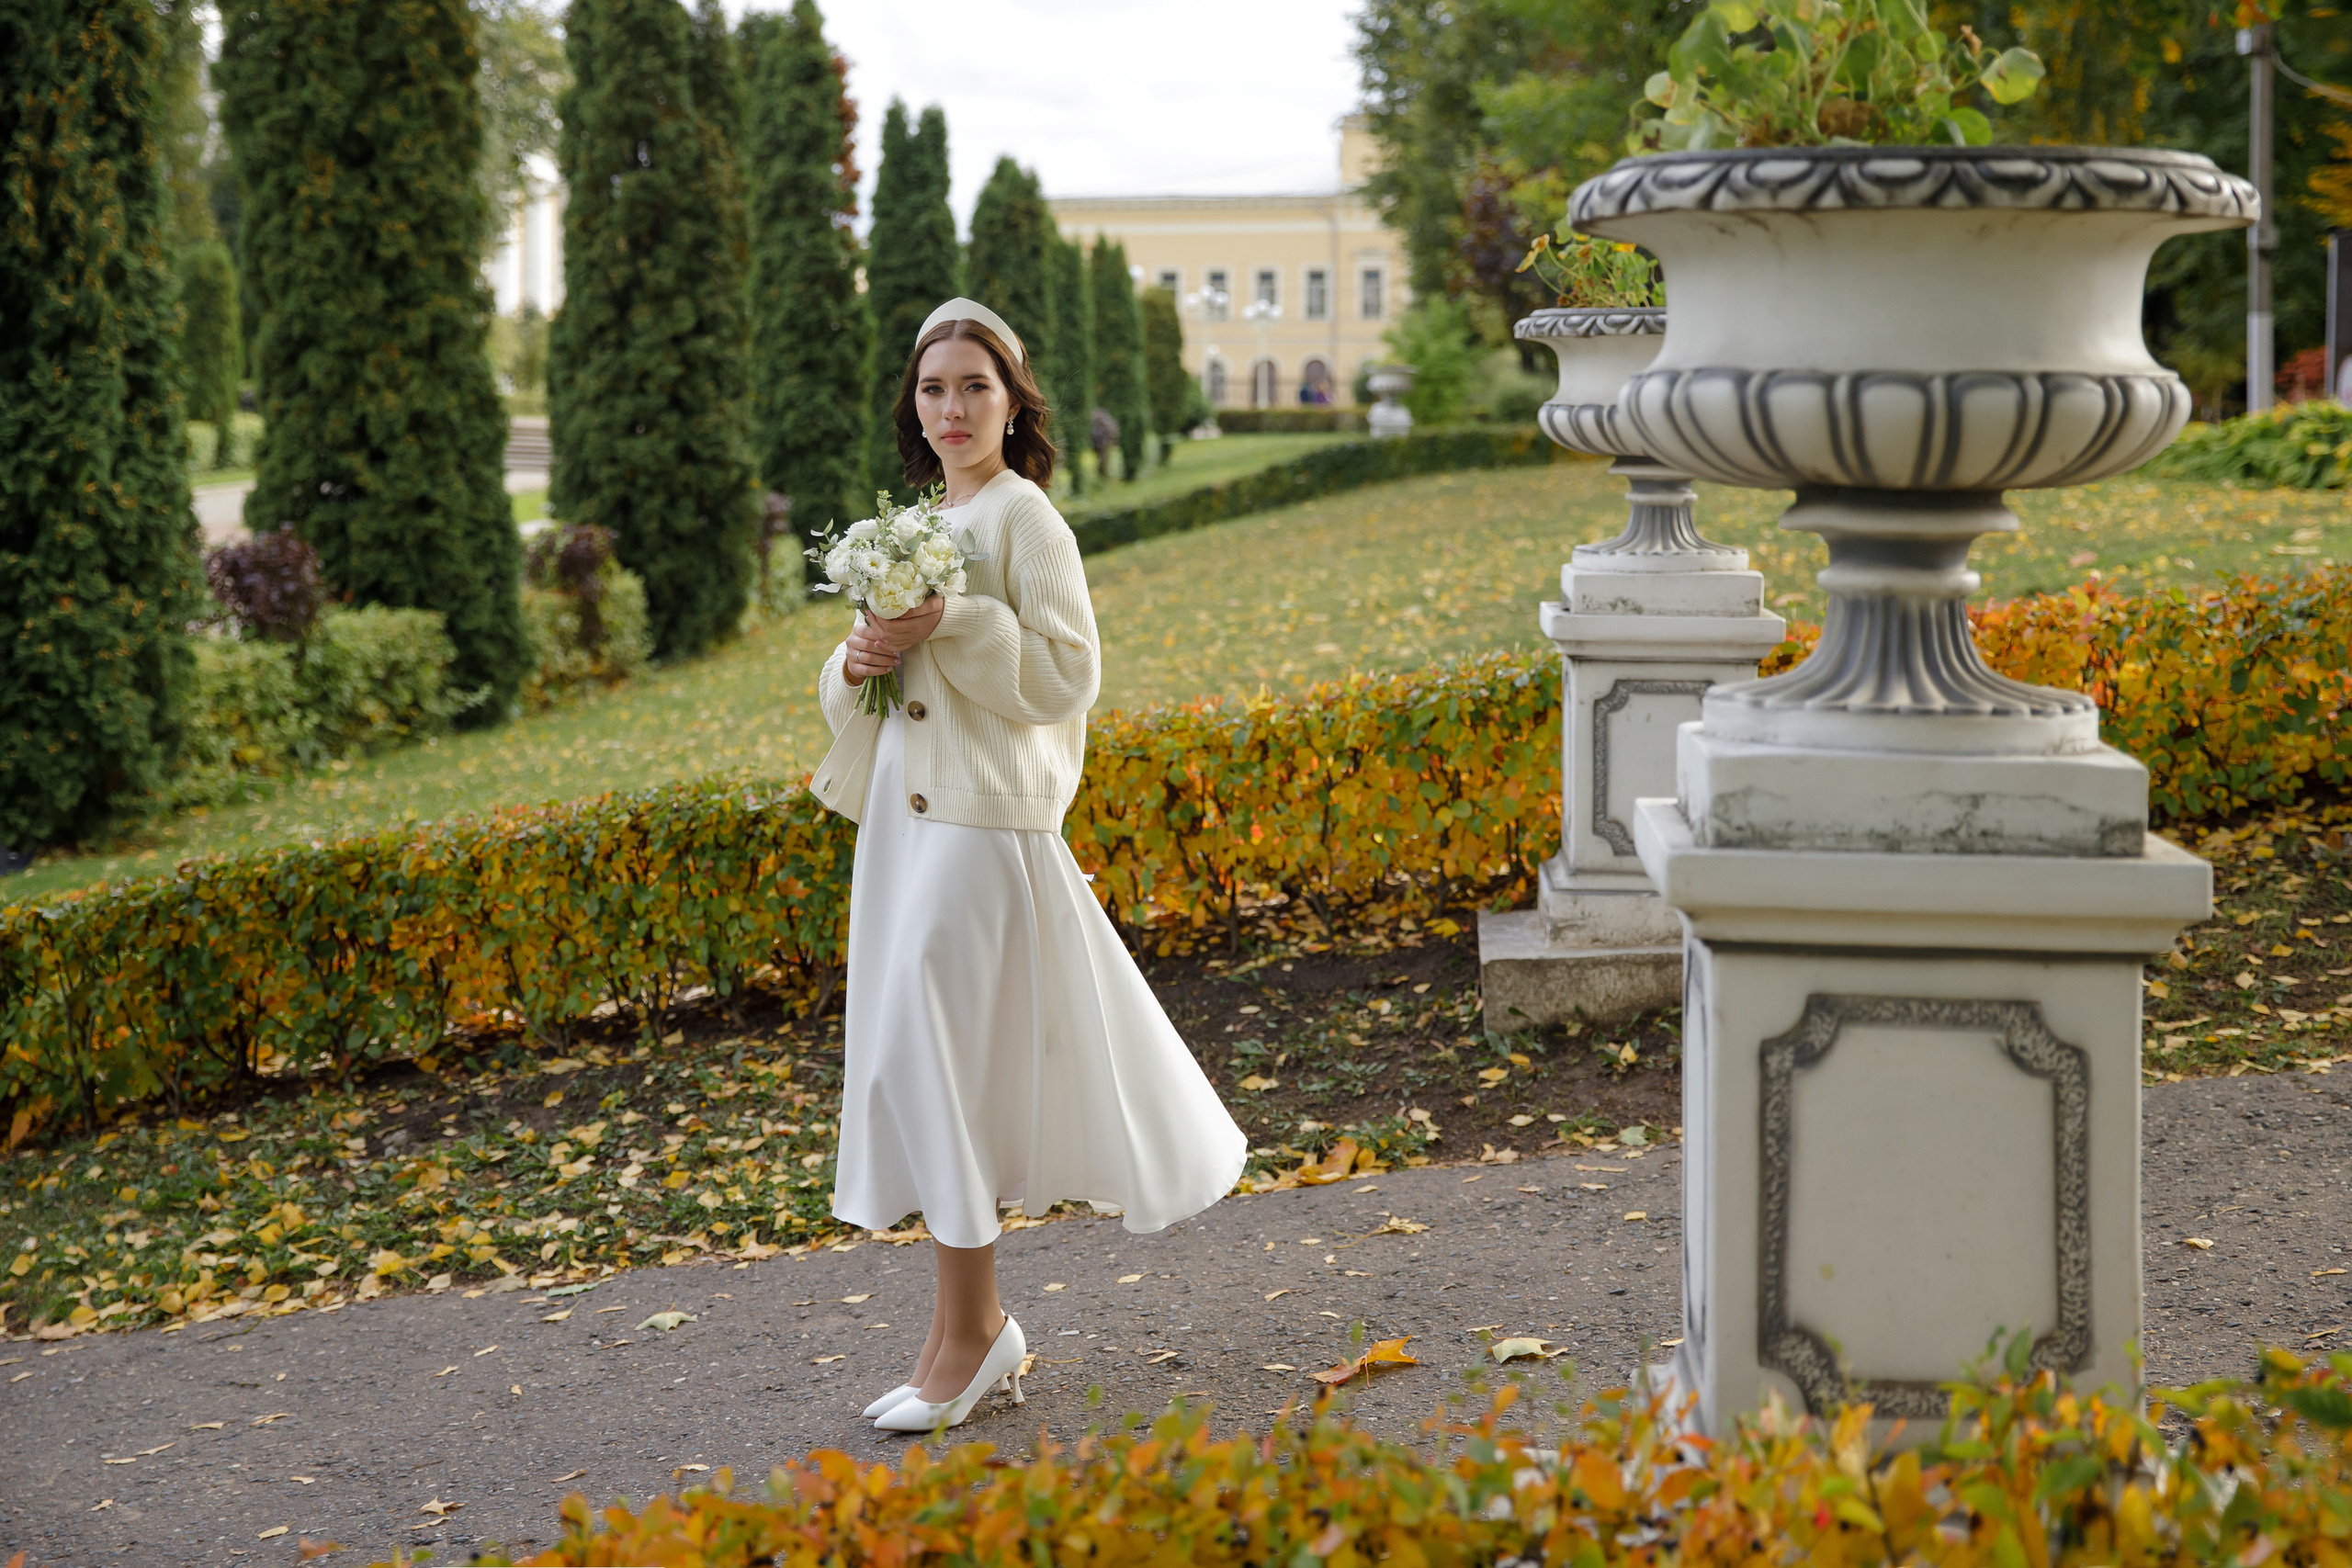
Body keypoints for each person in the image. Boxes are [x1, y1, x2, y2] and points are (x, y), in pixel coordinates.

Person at [808, 299, 1248, 1434]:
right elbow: (875, 687)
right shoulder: (913, 521)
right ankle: (968, 1331)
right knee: (920, 1064)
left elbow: (1063, 681)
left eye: (974, 388)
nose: (950, 408)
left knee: (928, 1053)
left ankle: (971, 1337)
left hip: (978, 827)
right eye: (932, 390)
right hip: (902, 831)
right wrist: (854, 655)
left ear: (1012, 403)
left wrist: (953, 619)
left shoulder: (1026, 521)